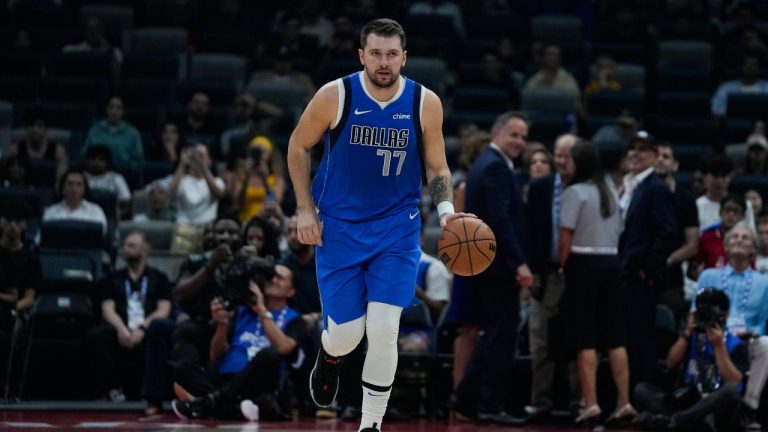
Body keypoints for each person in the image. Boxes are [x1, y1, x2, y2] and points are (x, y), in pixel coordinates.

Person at [286, 18, 468, 432]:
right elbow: (298, 145)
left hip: (397, 228)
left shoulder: (425, 102)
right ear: (361, 56)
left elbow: (438, 167)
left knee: (385, 328)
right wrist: (303, 209)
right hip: (339, 227)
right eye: (375, 53)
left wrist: (446, 213)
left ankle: (371, 425)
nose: (383, 62)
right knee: (347, 335)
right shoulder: (336, 94)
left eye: (391, 54)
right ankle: (331, 354)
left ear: (404, 57)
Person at [455, 111, 533, 425]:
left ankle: (467, 399)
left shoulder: (483, 165)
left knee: (494, 335)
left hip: (485, 265)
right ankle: (485, 403)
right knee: (499, 337)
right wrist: (520, 263)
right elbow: (501, 221)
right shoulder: (496, 168)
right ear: (497, 132)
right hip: (498, 267)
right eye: (514, 134)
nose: (520, 142)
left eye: (524, 137)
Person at [172, 256, 304, 421]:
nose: (273, 280)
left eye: (280, 278)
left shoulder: (295, 319)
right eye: (271, 276)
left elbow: (284, 347)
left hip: (258, 382)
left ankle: (205, 403)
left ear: (291, 291)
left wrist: (262, 310)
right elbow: (216, 355)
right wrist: (222, 324)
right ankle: (232, 408)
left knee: (269, 355)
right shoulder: (243, 311)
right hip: (226, 379)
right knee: (183, 367)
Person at [558, 139, 634, 425]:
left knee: (584, 336)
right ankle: (624, 402)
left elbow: (566, 236)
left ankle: (591, 403)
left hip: (583, 262)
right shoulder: (611, 192)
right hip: (611, 263)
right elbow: (620, 231)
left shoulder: (574, 192)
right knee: (615, 337)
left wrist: (563, 267)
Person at [633, 289, 749, 432]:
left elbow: (735, 381)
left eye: (711, 313)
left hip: (715, 405)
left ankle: (671, 421)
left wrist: (718, 346)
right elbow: (670, 363)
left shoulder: (736, 344)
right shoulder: (691, 336)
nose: (706, 318)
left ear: (725, 316)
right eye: (702, 313)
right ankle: (689, 422)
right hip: (689, 400)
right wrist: (686, 334)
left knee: (730, 394)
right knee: (641, 390)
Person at [524, 133, 579, 420]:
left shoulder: (588, 189)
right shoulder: (541, 187)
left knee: (577, 340)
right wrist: (532, 271)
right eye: (558, 155)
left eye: (567, 156)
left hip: (578, 274)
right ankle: (540, 402)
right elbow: (530, 232)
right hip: (545, 273)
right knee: (540, 339)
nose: (561, 161)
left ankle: (578, 403)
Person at [85, 232, 173, 409]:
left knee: (159, 332)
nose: (125, 249)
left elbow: (164, 309)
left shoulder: (159, 278)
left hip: (146, 328)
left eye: (131, 245)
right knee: (96, 336)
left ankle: (151, 395)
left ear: (146, 249)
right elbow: (107, 309)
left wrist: (142, 329)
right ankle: (111, 389)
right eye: (124, 245)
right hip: (121, 327)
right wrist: (121, 329)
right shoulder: (112, 278)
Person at [696, 222, 768, 431]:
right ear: (726, 247)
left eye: (745, 238)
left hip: (747, 340)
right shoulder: (709, 276)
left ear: (753, 250)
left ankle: (748, 408)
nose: (739, 240)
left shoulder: (764, 282)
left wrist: (750, 333)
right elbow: (696, 312)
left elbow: (763, 322)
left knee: (767, 343)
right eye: (734, 236)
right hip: (712, 335)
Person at [618, 131, 677, 387]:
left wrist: (646, 268)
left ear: (655, 156)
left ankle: (643, 395)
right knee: (626, 336)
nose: (635, 153)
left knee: (640, 338)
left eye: (642, 149)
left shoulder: (656, 188)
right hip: (624, 274)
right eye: (632, 148)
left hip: (640, 278)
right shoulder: (629, 185)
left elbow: (668, 233)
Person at [655, 142, 700, 323]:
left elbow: (692, 245)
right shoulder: (638, 193)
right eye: (657, 155)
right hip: (639, 276)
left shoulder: (686, 199)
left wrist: (666, 261)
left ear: (675, 165)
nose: (660, 160)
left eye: (666, 157)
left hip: (670, 278)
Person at [7, 108, 68, 187]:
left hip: (49, 190)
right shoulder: (15, 149)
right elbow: (8, 175)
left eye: (39, 126)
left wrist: (58, 185)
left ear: (46, 129)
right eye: (31, 125)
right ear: (26, 128)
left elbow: (62, 177)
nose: (35, 129)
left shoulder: (57, 149)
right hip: (22, 190)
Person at [82, 96, 144, 170]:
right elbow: (84, 154)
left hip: (124, 173)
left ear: (123, 111)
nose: (114, 111)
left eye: (118, 108)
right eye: (111, 107)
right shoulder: (95, 130)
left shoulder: (132, 133)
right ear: (106, 109)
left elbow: (139, 161)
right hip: (97, 172)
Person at [42, 169, 107, 233]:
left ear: (84, 189)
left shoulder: (95, 211)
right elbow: (41, 240)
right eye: (70, 184)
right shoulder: (51, 212)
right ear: (62, 188)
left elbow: (101, 238)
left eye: (78, 184)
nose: (74, 189)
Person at [83, 145, 132, 220]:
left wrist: (117, 215)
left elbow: (127, 205)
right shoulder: (80, 178)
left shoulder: (117, 178)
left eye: (101, 160)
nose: (96, 163)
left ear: (107, 163)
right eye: (93, 159)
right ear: (87, 161)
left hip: (110, 218)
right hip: (84, 216)